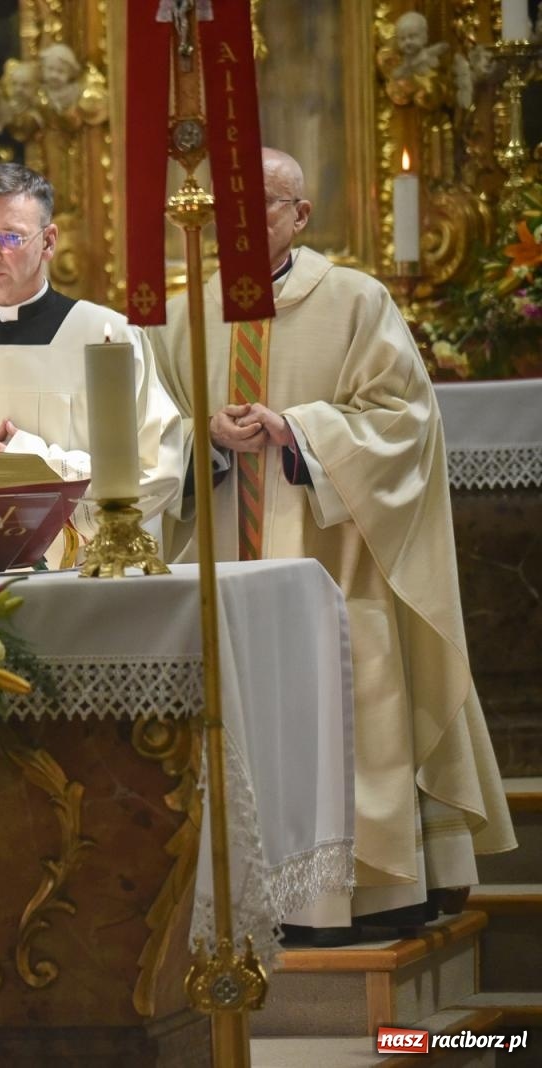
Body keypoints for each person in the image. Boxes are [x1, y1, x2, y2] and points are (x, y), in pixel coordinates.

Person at [151, 148, 515, 939]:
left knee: (347, 705)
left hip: (337, 564)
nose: (241, 225)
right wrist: (206, 438)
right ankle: (238, 899)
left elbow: (405, 421)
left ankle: (362, 894)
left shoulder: (355, 300)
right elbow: (151, 435)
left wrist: (299, 430)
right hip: (222, 557)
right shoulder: (182, 319)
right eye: (228, 209)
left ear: (300, 216)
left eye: (262, 206)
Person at [0, 162, 183, 555]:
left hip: (85, 571)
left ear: (48, 241)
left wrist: (40, 465)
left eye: (10, 237)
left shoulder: (110, 337)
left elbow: (158, 472)